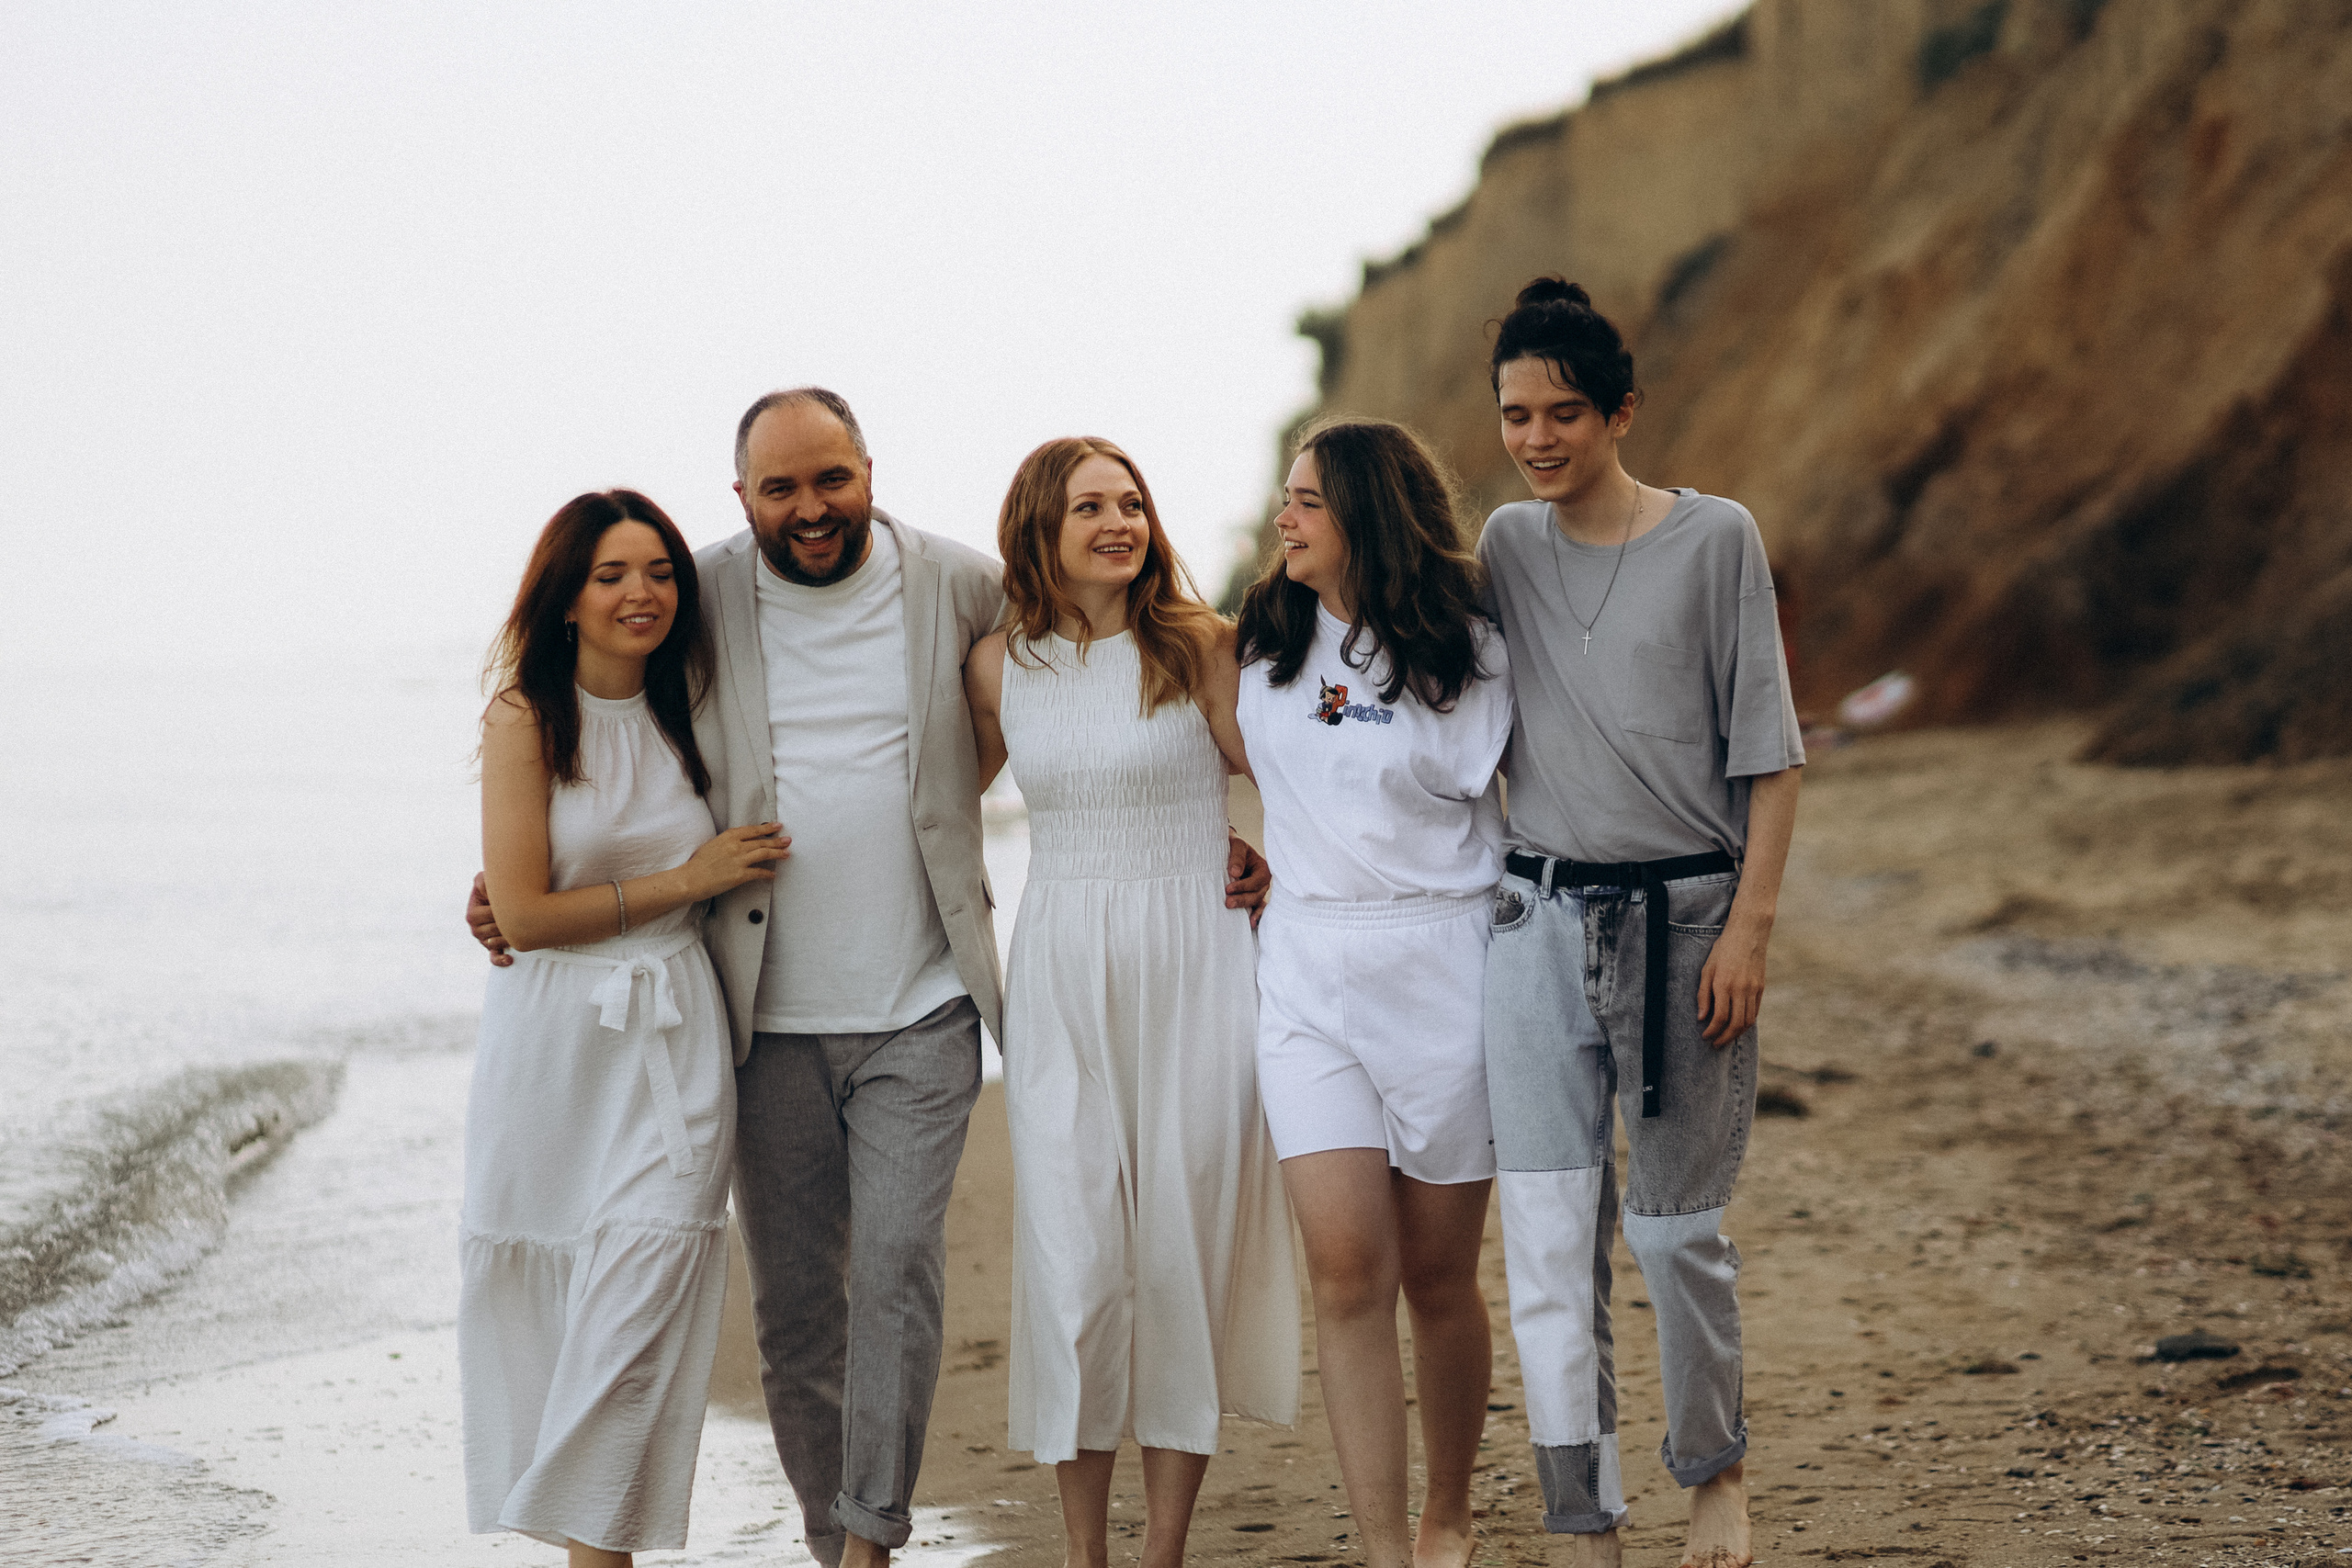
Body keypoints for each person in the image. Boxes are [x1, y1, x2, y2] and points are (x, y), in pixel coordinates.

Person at [468, 389, 1272, 1568]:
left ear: (869, 472)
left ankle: (871, 1543)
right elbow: (605, 726)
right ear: (741, 498)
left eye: (831, 479)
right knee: (796, 1313)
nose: (811, 508)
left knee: (896, 1273)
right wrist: (510, 884)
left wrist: (1246, 830)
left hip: (925, 997)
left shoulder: (958, 586)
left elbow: (1102, 669)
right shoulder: (696, 594)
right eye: (781, 488)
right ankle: (821, 1535)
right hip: (756, 1013)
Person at [1476, 278, 1804, 1568]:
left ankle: (1714, 1470)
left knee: (1676, 1232)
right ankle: (1581, 1511)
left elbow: (1773, 757)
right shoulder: (1503, 545)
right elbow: (1387, 661)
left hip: (1687, 925)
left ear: (1622, 410)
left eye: (1563, 412)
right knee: (1550, 1240)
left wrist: (1752, 934)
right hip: (1538, 926)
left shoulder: (1718, 536)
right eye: (1515, 414)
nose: (1538, 437)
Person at [963, 436, 1298, 1568]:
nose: (1120, 521)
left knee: (1180, 1251)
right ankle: (1082, 1553)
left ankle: (1160, 1550)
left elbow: (1307, 782)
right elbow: (911, 807)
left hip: (1196, 960)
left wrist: (1264, 859)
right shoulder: (998, 669)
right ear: (1039, 533)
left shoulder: (1202, 647)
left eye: (1132, 502)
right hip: (1061, 969)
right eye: (1090, 507)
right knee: (1074, 1259)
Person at [465, 489, 790, 1566]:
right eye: (611, 575)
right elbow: (520, 914)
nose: (640, 593)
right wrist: (682, 878)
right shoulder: (525, 719)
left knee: (635, 1313)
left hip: (672, 1040)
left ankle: (586, 1539)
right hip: (555, 1055)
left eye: (657, 572)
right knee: (568, 1328)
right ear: (566, 598)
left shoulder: (691, 703)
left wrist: (674, 893)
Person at [1232, 418, 1513, 1568]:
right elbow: (1161, 741)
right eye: (1285, 497)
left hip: (1446, 967)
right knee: (1347, 1268)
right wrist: (1226, 852)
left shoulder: (1470, 648)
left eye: (1307, 500)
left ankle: (1450, 1510)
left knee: (1440, 1277)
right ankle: (1384, 1548)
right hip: (1304, 972)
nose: (1284, 517)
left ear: (1366, 514)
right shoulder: (1261, 641)